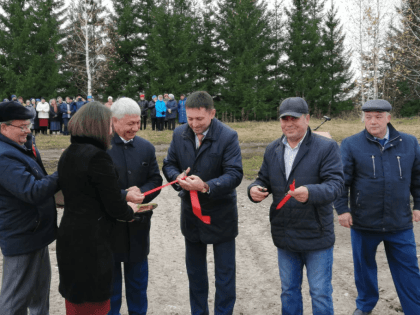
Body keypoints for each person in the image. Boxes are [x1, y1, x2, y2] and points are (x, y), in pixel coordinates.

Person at [248, 97, 344, 315]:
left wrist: (311, 192)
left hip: (316, 235)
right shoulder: (273, 149)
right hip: (285, 234)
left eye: (294, 118)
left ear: (307, 118)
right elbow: (263, 178)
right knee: (289, 291)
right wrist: (254, 188)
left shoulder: (327, 147)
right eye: (284, 119)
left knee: (320, 293)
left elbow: (336, 185)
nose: (288, 123)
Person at [56, 102, 143, 315]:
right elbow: (114, 205)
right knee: (95, 304)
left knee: (74, 303)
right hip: (91, 243)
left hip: (69, 236)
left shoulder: (69, 152)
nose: (111, 130)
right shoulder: (98, 156)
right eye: (108, 125)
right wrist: (130, 209)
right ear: (98, 127)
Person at [335, 99, 420, 315]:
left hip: (399, 223)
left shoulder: (409, 143)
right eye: (368, 116)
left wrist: (419, 204)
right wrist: (342, 209)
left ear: (389, 118)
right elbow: (342, 181)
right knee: (364, 269)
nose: (373, 121)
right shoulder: (351, 144)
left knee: (409, 270)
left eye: (378, 116)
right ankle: (365, 306)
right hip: (364, 222)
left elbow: (418, 177)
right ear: (363, 118)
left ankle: (414, 309)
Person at [162, 91, 243, 315]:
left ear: (212, 114)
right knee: (195, 274)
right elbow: (168, 164)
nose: (195, 124)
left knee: (225, 276)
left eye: (200, 119)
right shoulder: (179, 134)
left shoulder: (228, 136)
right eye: (190, 119)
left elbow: (235, 174)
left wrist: (206, 186)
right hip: (191, 215)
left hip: (221, 214)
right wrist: (176, 178)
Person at [0, 100, 59, 314]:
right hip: (22, 237)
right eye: (22, 127)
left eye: (28, 125)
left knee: (38, 295)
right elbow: (32, 191)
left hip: (36, 233)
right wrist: (62, 173)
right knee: (14, 302)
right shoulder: (4, 155)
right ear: (3, 127)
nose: (27, 130)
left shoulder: (19, 146)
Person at [107, 97, 163, 315]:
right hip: (110, 229)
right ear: (114, 121)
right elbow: (96, 187)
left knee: (138, 286)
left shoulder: (146, 148)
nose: (135, 128)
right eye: (130, 123)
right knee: (111, 290)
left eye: (138, 122)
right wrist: (124, 196)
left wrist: (143, 193)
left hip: (138, 227)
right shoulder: (102, 148)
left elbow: (155, 180)